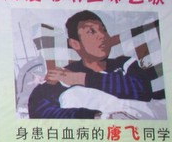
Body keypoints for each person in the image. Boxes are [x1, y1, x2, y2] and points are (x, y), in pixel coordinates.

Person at [28, 10, 163, 119]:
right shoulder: (63, 74)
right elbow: (38, 108)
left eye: (103, 30)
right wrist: (94, 117)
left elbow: (143, 90)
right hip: (98, 129)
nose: (102, 36)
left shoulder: (124, 63)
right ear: (75, 44)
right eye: (91, 32)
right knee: (72, 95)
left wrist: (80, 79)